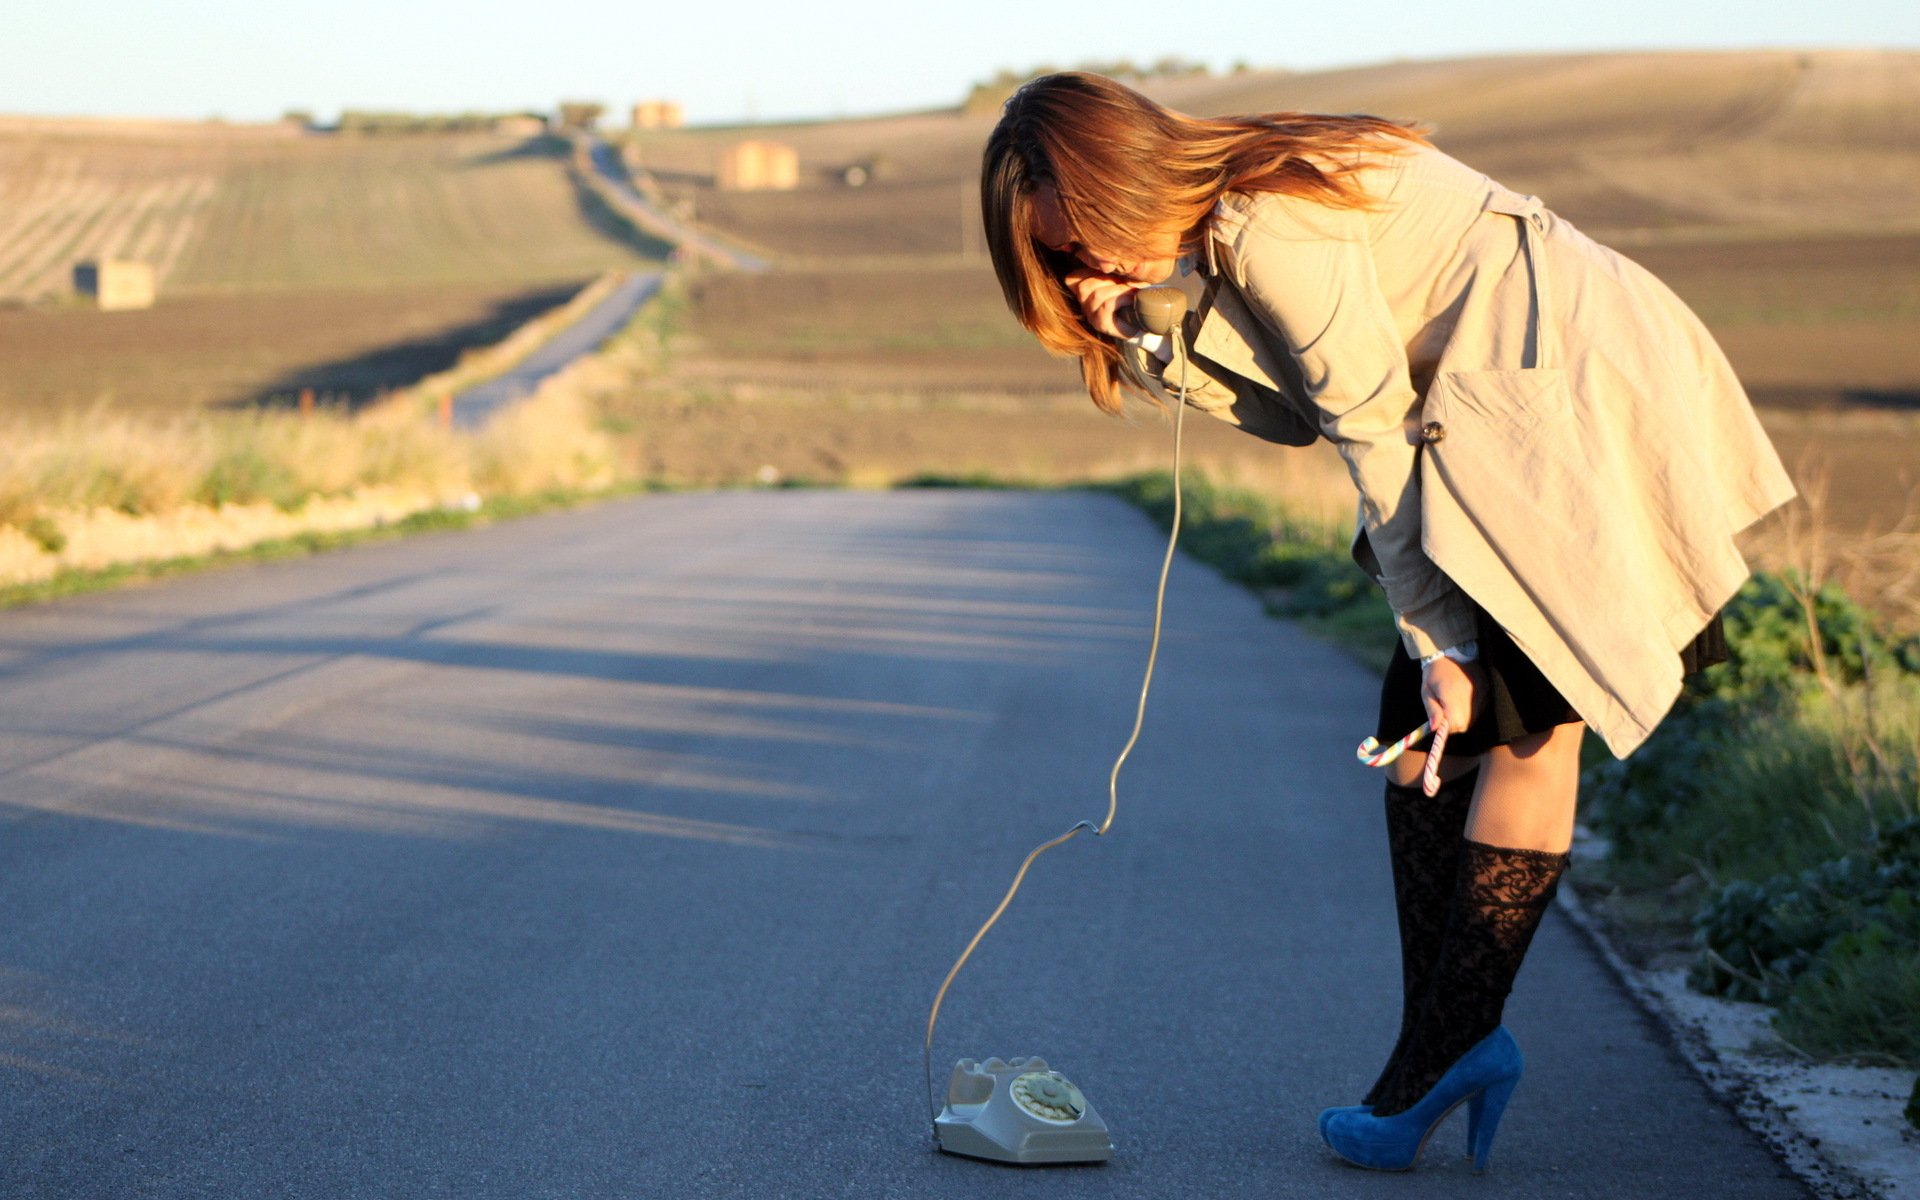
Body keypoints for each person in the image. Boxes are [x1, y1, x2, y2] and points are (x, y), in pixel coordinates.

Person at [979, 72, 1795, 1172]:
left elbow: (1366, 428)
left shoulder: (1268, 219)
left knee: (1517, 730)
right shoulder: (1213, 237)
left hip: (1570, 400)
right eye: (1063, 257)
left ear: (1129, 173)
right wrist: (1147, 339)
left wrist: (1443, 642)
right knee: (1420, 741)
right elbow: (1295, 412)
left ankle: (1436, 1064)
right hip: (1494, 416)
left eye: (1090, 236)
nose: (1092, 267)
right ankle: (1442, 1051)